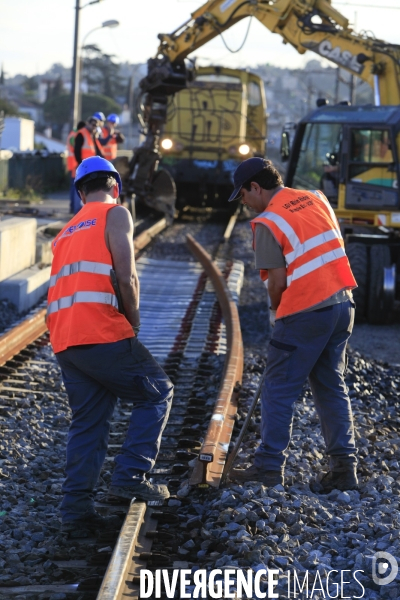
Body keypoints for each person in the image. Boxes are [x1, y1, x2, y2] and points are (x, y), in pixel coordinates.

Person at [47, 156, 173, 535]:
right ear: (115, 187)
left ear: (80, 192)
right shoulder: (115, 214)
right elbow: (126, 275)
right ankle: (131, 474)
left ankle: (76, 514)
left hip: (65, 340)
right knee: (157, 393)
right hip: (100, 331)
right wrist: (132, 321)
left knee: (88, 424)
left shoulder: (65, 231)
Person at [228, 158, 358, 493]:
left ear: (256, 187)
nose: (243, 201)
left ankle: (268, 467)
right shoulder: (316, 197)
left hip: (305, 311)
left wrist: (276, 312)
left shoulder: (268, 222)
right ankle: (344, 469)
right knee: (331, 384)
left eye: (243, 194)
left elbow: (276, 283)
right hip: (342, 303)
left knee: (278, 388)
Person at [66, 120, 86, 214]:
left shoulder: (72, 134)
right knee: (76, 188)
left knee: (73, 187)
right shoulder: (77, 136)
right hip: (75, 164)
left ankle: (72, 207)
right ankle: (75, 209)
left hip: (71, 163)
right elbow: (77, 150)